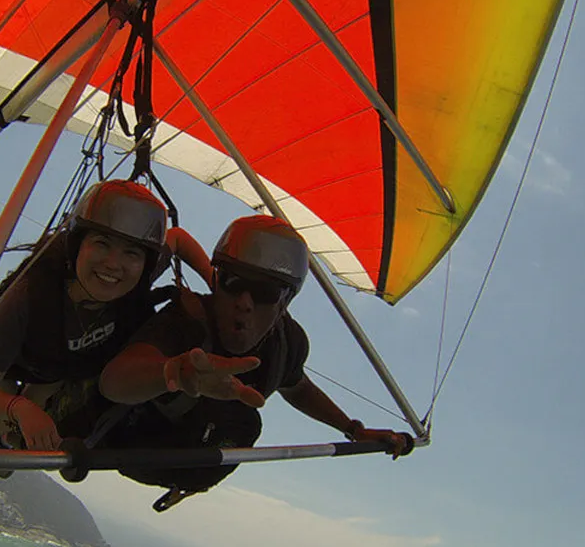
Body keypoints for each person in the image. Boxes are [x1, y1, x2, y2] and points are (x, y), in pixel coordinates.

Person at [98, 214, 409, 511]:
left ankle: (190, 481)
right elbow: (116, 380)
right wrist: (173, 372)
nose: (245, 303)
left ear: (285, 302)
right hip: (136, 448)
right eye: (234, 282)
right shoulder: (186, 319)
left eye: (265, 291)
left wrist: (353, 429)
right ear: (217, 281)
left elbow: (297, 386)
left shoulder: (288, 342)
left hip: (192, 466)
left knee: (245, 421)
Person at [0, 179, 212, 453]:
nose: (113, 263)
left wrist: (214, 280)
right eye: (101, 243)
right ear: (76, 246)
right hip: (17, 353)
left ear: (145, 264)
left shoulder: (133, 282)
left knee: (28, 411)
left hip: (58, 363)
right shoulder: (29, 297)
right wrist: (17, 406)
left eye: (131, 252)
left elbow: (178, 238)